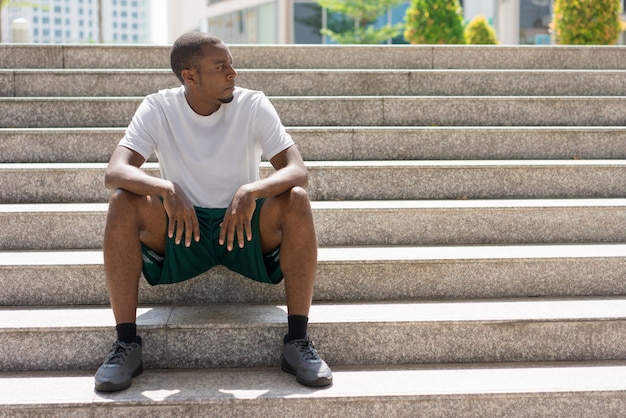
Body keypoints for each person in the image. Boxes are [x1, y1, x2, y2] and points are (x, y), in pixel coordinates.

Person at [94, 32, 332, 392]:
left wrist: (252, 190)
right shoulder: (159, 107)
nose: (233, 73)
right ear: (190, 77)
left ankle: (297, 341)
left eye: (231, 64)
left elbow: (298, 171)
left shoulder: (253, 104)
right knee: (122, 202)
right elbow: (115, 172)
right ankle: (126, 343)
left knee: (296, 198)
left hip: (244, 231)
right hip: (182, 230)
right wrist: (165, 188)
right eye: (221, 67)